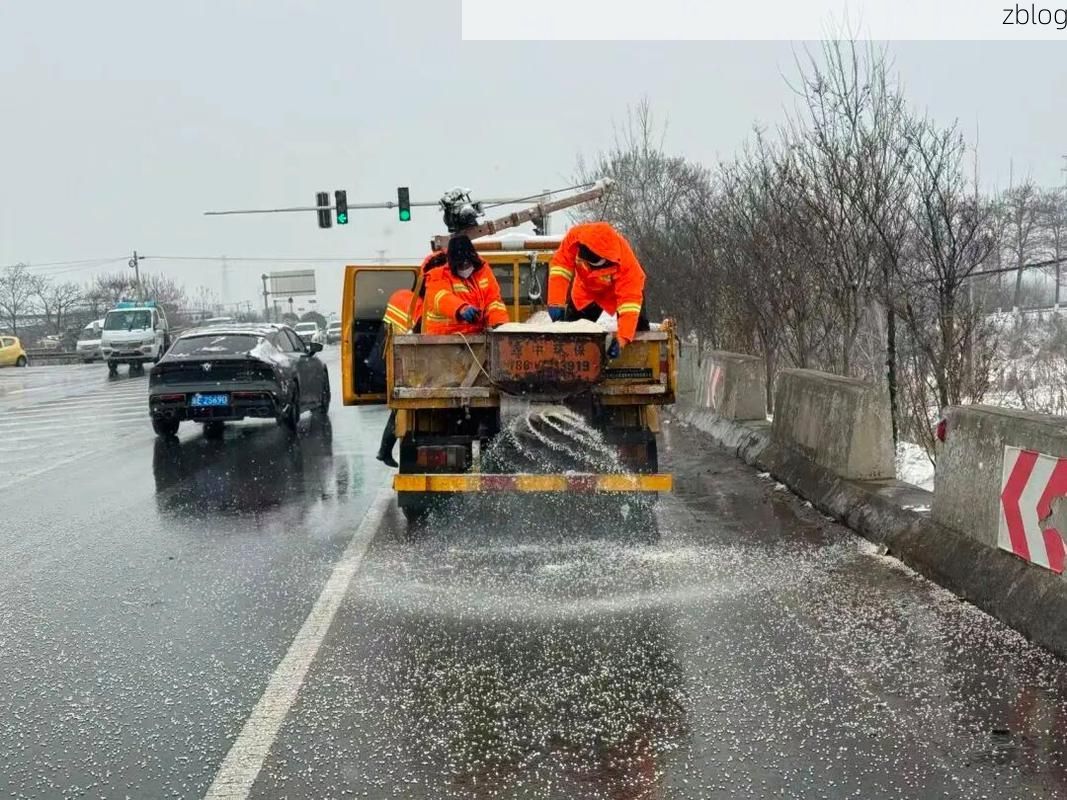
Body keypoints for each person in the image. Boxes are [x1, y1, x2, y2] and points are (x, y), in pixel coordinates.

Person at [375, 251, 444, 467]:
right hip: (410, 364)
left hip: (395, 360)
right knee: (401, 410)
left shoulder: (400, 297)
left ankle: (384, 451)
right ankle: (384, 450)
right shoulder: (425, 306)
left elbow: (386, 332)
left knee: (400, 409)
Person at [546, 221, 649, 358]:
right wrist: (555, 301)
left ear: (604, 261)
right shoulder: (575, 238)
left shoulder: (629, 269)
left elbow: (629, 305)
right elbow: (560, 268)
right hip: (585, 293)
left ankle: (637, 360)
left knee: (638, 331)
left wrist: (622, 340)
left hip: (616, 295)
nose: (585, 266)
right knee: (569, 334)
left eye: (590, 264)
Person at [422, 235, 509, 335]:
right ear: (452, 264)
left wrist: (499, 325)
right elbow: (441, 297)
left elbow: (493, 301)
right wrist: (461, 308)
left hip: (476, 337)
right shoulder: (437, 275)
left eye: (467, 264)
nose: (464, 267)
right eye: (460, 265)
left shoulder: (483, 272)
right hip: (444, 339)